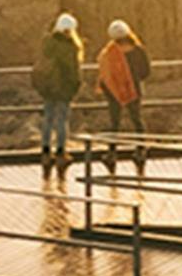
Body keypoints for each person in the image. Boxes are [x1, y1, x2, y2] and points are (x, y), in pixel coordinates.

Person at [31, 12, 84, 183]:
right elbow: (73, 72)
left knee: (47, 119)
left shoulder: (47, 43)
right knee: (62, 120)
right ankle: (61, 152)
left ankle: (45, 152)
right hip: (63, 89)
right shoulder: (69, 47)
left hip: (47, 88)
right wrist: (75, 87)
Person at [96, 19, 151, 173]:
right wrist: (133, 81)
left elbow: (105, 74)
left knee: (114, 122)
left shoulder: (110, 52)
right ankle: (141, 150)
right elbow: (146, 71)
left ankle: (112, 153)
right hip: (135, 90)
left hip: (114, 92)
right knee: (137, 120)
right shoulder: (139, 50)